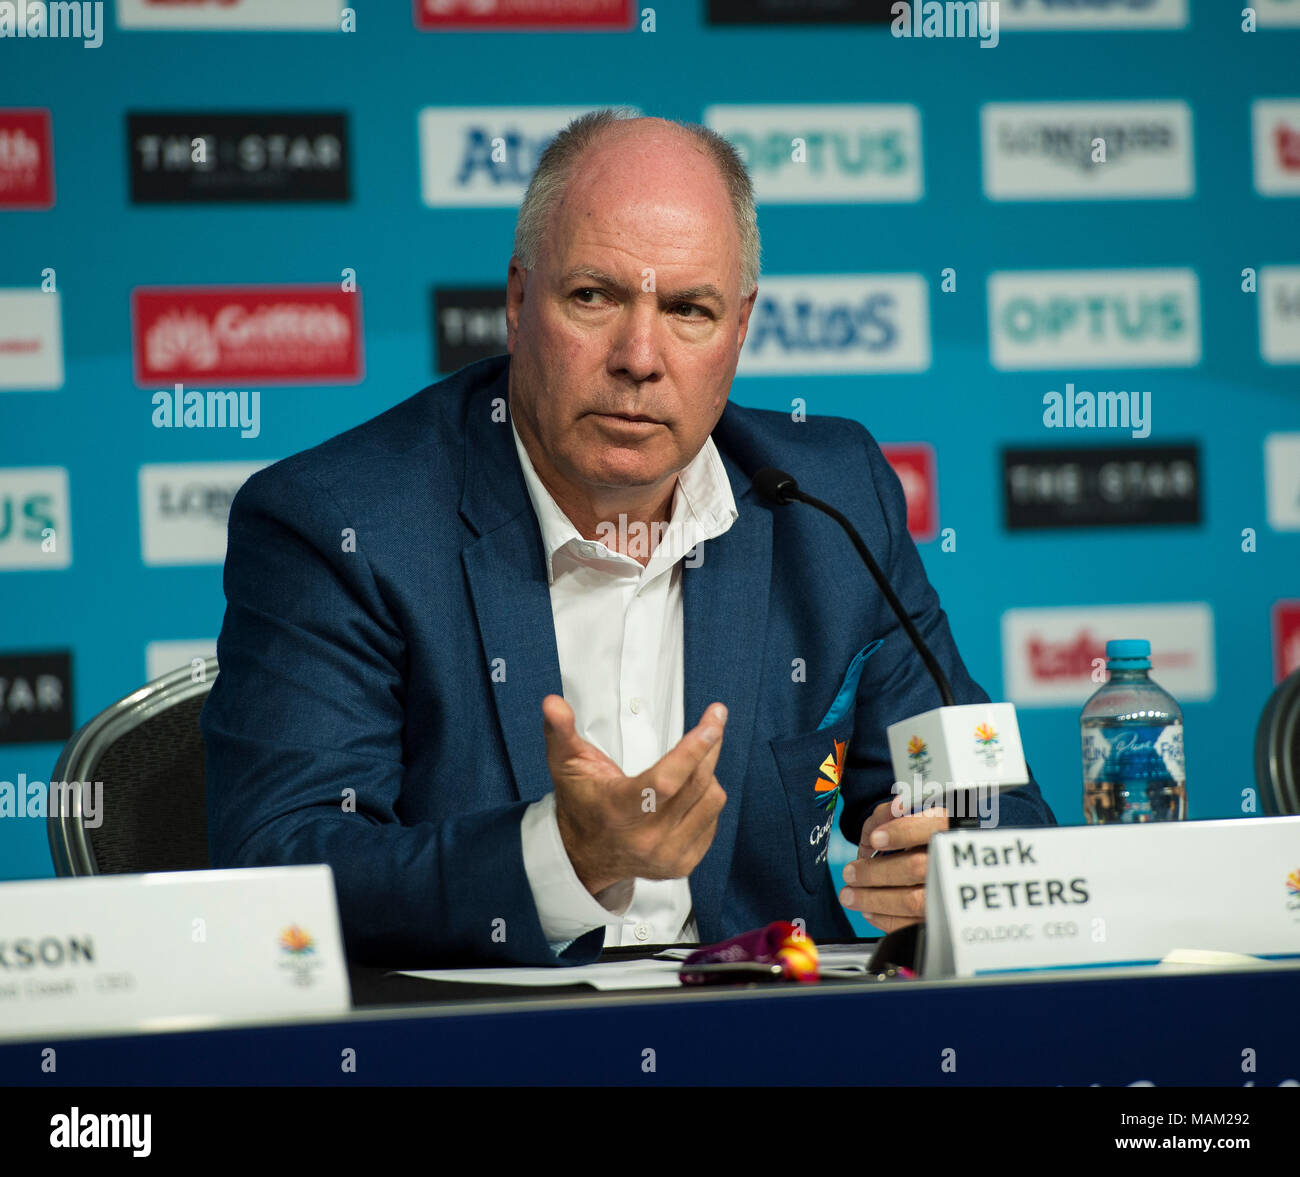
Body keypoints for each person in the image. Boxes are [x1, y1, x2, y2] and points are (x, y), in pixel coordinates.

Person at [202, 108, 1055, 967]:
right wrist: (564, 858)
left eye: (688, 309)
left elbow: (994, 799)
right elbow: (280, 869)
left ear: (742, 329)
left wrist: (951, 863)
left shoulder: (830, 503)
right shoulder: (344, 524)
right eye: (594, 296)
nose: (639, 356)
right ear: (516, 299)